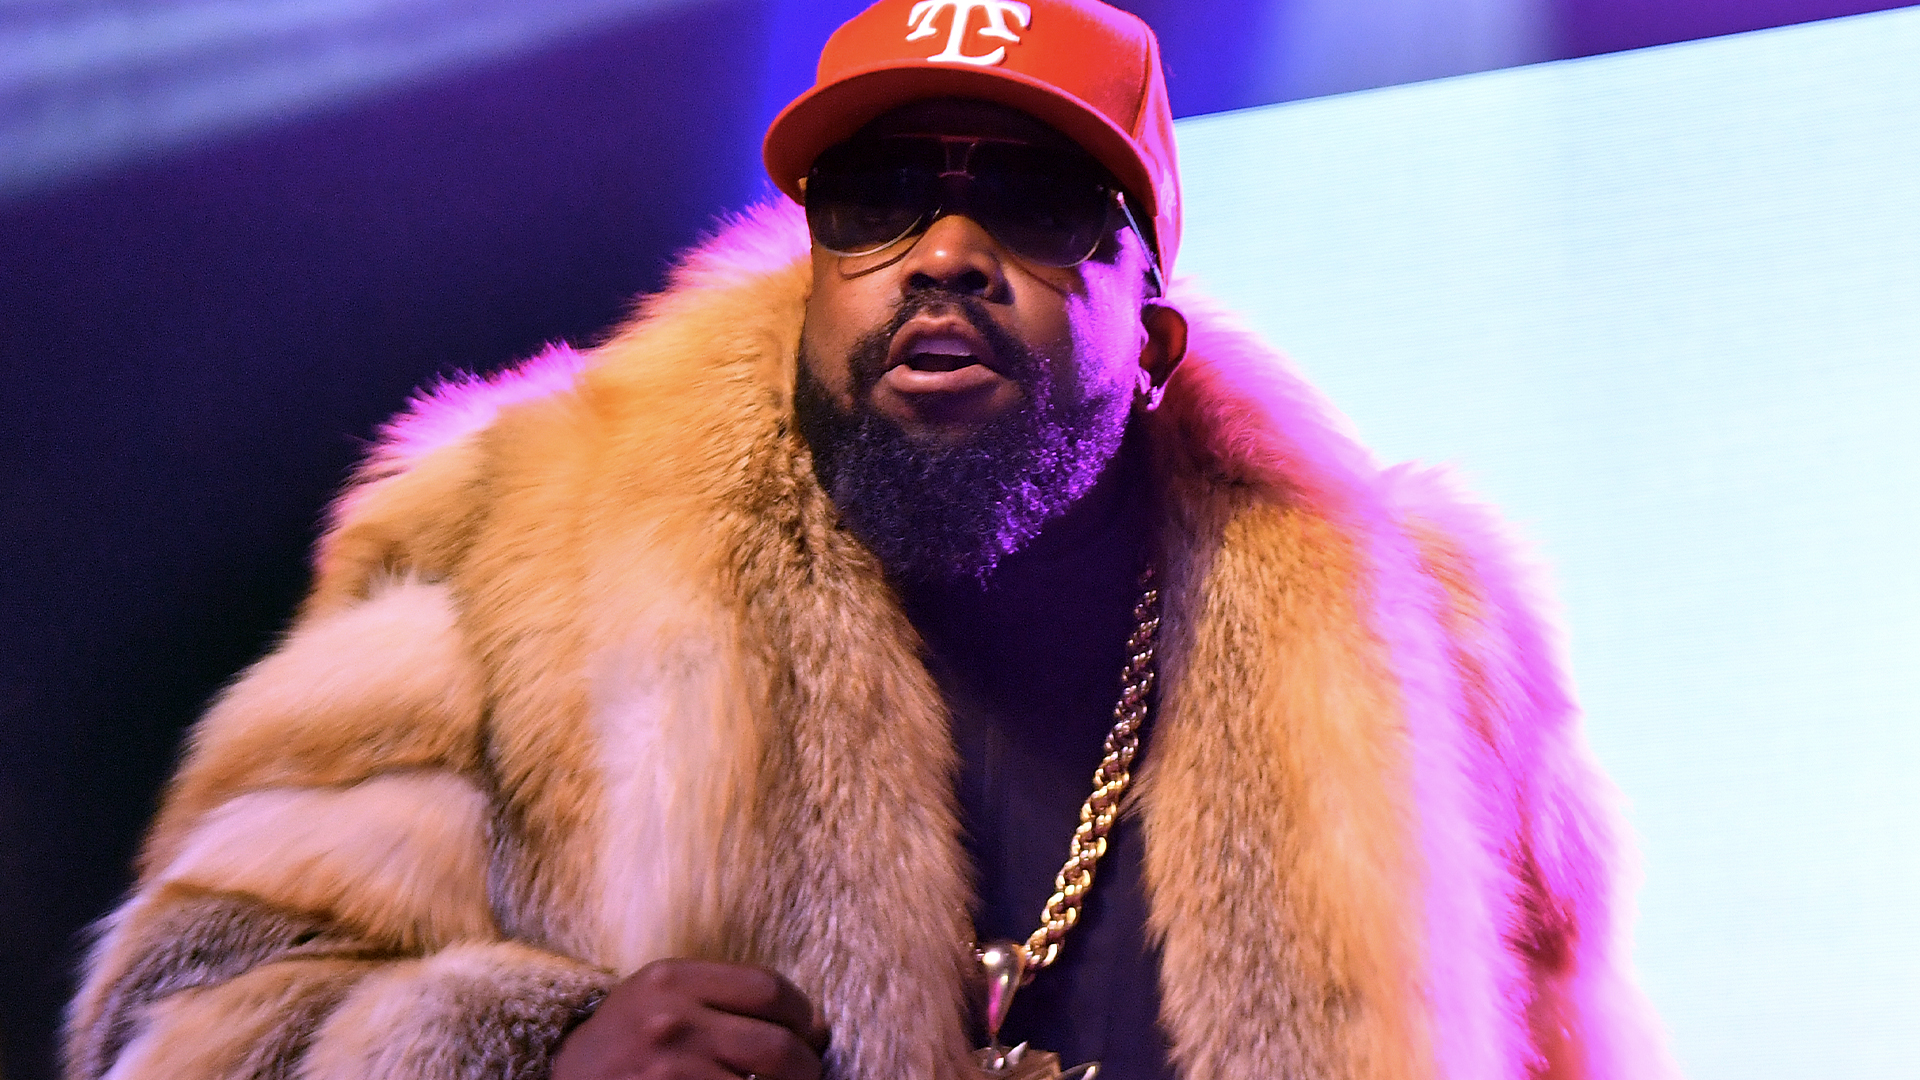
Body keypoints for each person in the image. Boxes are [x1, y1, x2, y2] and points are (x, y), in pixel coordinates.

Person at [66, 1, 1678, 1078]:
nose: (947, 253)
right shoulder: (502, 549)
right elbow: (177, 1020)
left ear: (1158, 338)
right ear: (809, 290)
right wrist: (531, 1053)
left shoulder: (1423, 639)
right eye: (881, 198)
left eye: (1040, 204)